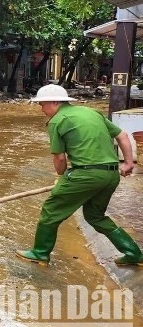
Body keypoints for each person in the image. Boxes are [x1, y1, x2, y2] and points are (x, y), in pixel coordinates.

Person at [16, 84, 143, 266]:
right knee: (95, 216)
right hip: (110, 175)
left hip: (86, 175)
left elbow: (59, 158)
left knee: (51, 210)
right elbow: (122, 135)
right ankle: (134, 253)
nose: (41, 109)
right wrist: (128, 163)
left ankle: (40, 253)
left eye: (42, 104)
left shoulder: (57, 121)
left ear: (54, 102)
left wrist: (62, 177)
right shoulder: (91, 112)